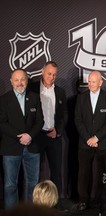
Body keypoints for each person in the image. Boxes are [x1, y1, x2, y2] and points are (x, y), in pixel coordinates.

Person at [0, 68, 44, 209]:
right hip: (11, 147)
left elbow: (40, 121)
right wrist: (20, 137)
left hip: (32, 146)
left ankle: (29, 211)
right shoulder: (4, 99)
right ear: (11, 82)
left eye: (23, 79)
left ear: (27, 80)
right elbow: (2, 122)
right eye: (17, 80)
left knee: (33, 183)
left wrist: (29, 135)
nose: (20, 83)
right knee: (10, 185)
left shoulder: (35, 97)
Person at [74, 71, 106, 211]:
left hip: (103, 143)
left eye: (94, 81)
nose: (91, 84)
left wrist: (96, 138)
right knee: (84, 173)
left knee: (101, 173)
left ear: (101, 82)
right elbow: (78, 120)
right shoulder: (81, 98)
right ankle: (83, 201)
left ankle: (99, 201)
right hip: (85, 143)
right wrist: (88, 139)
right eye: (89, 81)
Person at [29, 61, 68, 200]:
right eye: (49, 73)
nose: (51, 77)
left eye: (54, 75)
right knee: (34, 172)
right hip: (36, 136)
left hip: (53, 136)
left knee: (56, 172)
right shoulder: (32, 89)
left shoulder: (60, 91)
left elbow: (64, 115)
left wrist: (58, 131)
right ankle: (35, 203)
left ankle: (55, 203)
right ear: (42, 72)